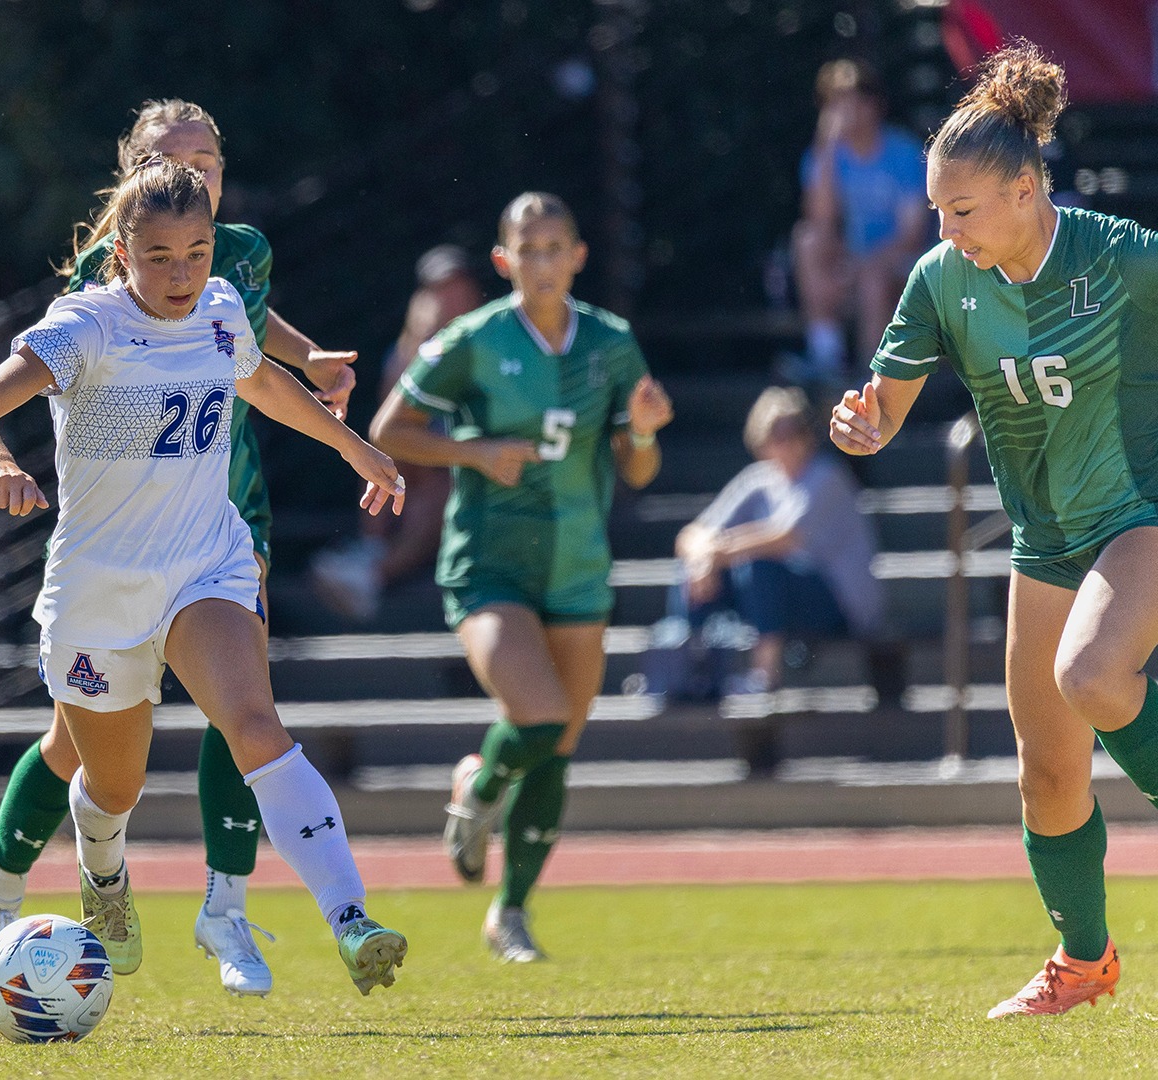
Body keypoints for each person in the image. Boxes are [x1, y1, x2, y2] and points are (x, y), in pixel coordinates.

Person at [0, 157, 410, 995]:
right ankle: (106, 874)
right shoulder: (84, 325)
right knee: (111, 787)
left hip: (206, 565)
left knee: (256, 726)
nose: (182, 274)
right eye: (160, 256)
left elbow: (261, 382)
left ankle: (351, 918)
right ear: (121, 253)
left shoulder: (225, 308)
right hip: (98, 591)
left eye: (197, 252)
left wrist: (354, 446)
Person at [831, 41, 1158, 1018]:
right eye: (938, 209)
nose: (945, 227)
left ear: (1026, 190)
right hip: (1043, 541)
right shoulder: (941, 280)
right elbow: (883, 407)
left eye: (961, 209)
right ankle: (1084, 963)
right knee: (1048, 775)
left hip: (1140, 517)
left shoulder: (1121, 258)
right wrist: (861, 426)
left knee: (1091, 677)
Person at [370, 192, 672, 962]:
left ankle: (510, 912)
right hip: (491, 561)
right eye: (526, 250)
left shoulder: (611, 343)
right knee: (537, 720)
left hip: (576, 561)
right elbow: (388, 431)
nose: (541, 262)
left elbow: (638, 468)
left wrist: (640, 428)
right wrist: (474, 451)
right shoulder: (473, 339)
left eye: (555, 247)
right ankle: (478, 786)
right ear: (504, 262)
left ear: (578, 256)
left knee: (560, 746)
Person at [674, 385, 883, 695]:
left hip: (842, 603)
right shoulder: (758, 479)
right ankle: (689, 670)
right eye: (776, 434)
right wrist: (701, 561)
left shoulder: (827, 475)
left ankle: (764, 676)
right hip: (786, 598)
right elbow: (691, 534)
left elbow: (785, 538)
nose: (786, 442)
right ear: (760, 440)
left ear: (807, 435)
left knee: (761, 566)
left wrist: (715, 553)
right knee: (692, 572)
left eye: (794, 431)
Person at [312, 244, 483, 622]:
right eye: (438, 290)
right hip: (422, 482)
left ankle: (372, 574)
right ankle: (372, 551)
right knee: (382, 453)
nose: (447, 300)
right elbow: (390, 430)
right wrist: (417, 348)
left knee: (441, 492)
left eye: (456, 289)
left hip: (475, 481)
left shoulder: (490, 347)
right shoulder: (407, 352)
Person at [791, 59, 930, 382]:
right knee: (806, 240)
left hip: (900, 266)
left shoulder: (904, 152)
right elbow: (820, 220)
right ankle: (825, 357)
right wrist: (826, 145)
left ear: (874, 105)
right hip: (853, 263)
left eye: (853, 100)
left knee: (873, 277)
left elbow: (912, 235)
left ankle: (872, 379)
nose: (845, 111)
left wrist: (863, 266)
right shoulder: (823, 155)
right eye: (835, 102)